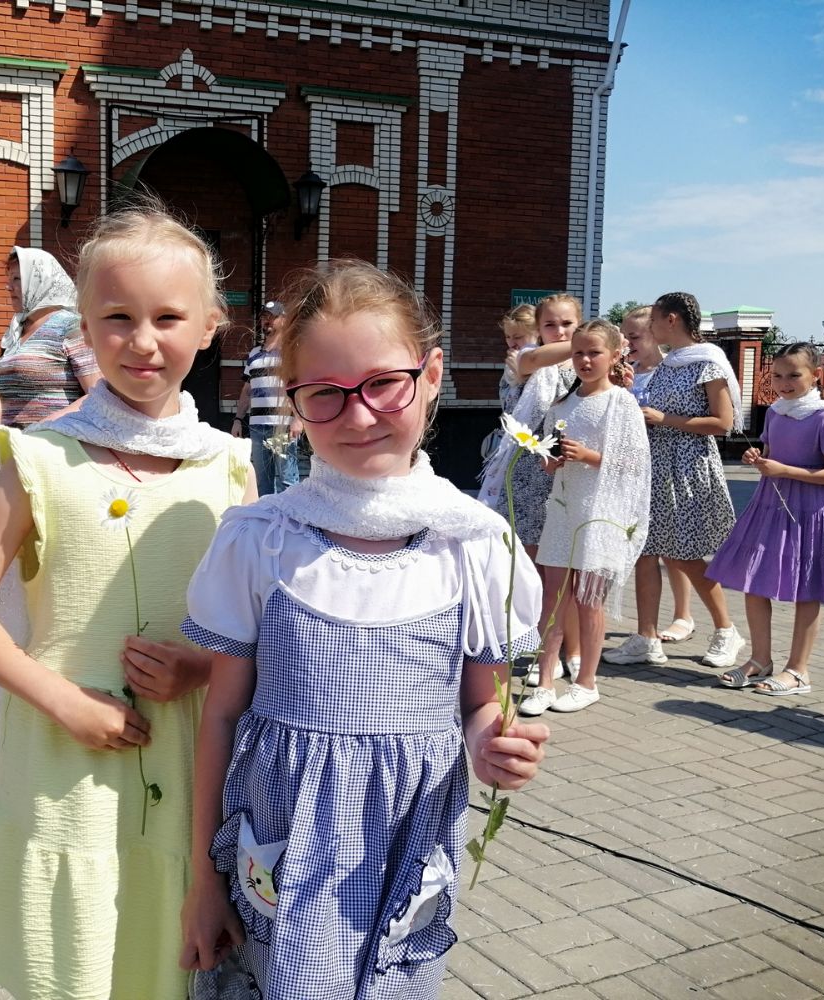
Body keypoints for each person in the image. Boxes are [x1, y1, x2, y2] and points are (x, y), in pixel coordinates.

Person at [179, 261, 549, 998]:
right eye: (324, 393)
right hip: (281, 852)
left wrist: (494, 747)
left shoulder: (473, 544)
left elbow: (482, 703)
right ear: (291, 401)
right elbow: (220, 716)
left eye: (383, 383)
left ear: (431, 375)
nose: (358, 416)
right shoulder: (264, 539)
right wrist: (201, 880)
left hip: (405, 851)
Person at [0, 202, 254, 1000]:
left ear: (209, 326)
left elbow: (250, 630)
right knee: (70, 965)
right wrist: (65, 702)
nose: (142, 341)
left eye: (167, 318)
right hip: (62, 772)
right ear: (83, 326)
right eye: (117, 317)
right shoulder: (41, 458)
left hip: (185, 769)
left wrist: (199, 668)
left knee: (163, 965)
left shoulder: (230, 468)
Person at [603, 292, 745, 670]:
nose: (649, 328)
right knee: (645, 552)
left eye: (653, 321)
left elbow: (723, 423)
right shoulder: (669, 363)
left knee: (685, 554)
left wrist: (665, 419)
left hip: (688, 468)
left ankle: (727, 630)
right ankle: (646, 638)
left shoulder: (707, 362)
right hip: (655, 468)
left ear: (672, 320)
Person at [707, 342, 824, 694]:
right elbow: (771, 455)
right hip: (770, 504)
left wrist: (784, 469)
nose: (784, 383)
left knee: (808, 587)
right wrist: (757, 457)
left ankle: (798, 670)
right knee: (754, 579)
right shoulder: (775, 412)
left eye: (794, 375)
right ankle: (760, 660)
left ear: (816, 375)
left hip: (810, 511)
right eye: (777, 376)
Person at [519, 320, 650, 716]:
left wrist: (590, 457)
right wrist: (550, 461)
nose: (585, 360)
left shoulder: (620, 403)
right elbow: (548, 456)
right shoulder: (561, 405)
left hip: (599, 512)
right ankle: (545, 681)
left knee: (588, 601)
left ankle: (587, 682)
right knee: (553, 597)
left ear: (614, 356)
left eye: (594, 352)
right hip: (563, 509)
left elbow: (636, 464)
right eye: (578, 352)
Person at [479, 293, 583, 685]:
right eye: (550, 325)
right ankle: (538, 645)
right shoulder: (525, 359)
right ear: (539, 330)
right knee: (532, 566)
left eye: (568, 325)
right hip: (526, 473)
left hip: (570, 472)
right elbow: (540, 359)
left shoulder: (584, 365)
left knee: (565, 571)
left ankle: (571, 650)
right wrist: (595, 342)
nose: (559, 332)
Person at [0, 246, 101, 486]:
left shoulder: (71, 327)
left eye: (17, 279)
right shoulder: (16, 332)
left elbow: (97, 394)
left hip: (59, 457)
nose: (9, 287)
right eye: (9, 279)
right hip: (17, 457)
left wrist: (42, 428)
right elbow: (19, 407)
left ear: (41, 280)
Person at [621, 306, 695, 645]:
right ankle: (647, 628)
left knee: (673, 547)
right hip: (635, 467)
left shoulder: (669, 370)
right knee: (646, 547)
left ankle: (683, 614)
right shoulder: (627, 371)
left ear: (655, 334)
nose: (628, 343)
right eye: (624, 336)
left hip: (666, 464)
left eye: (634, 336)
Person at [232, 301, 302, 495]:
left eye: (272, 317)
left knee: (288, 481)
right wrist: (237, 419)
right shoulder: (254, 354)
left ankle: (291, 515)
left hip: (282, 427)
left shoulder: (291, 353)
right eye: (264, 317)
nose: (267, 321)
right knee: (262, 482)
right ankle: (267, 514)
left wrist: (298, 418)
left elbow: (299, 388)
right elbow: (247, 391)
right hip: (257, 427)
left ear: (284, 320)